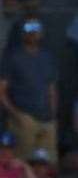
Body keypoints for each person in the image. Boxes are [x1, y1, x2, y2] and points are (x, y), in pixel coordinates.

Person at [0, 18, 58, 161]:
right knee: (23, 160)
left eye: (36, 30)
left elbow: (52, 89)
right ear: (22, 33)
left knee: (49, 162)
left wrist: (53, 115)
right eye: (29, 30)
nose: (33, 34)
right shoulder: (12, 57)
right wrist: (17, 115)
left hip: (47, 118)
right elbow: (2, 91)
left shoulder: (47, 57)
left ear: (41, 32)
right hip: (24, 118)